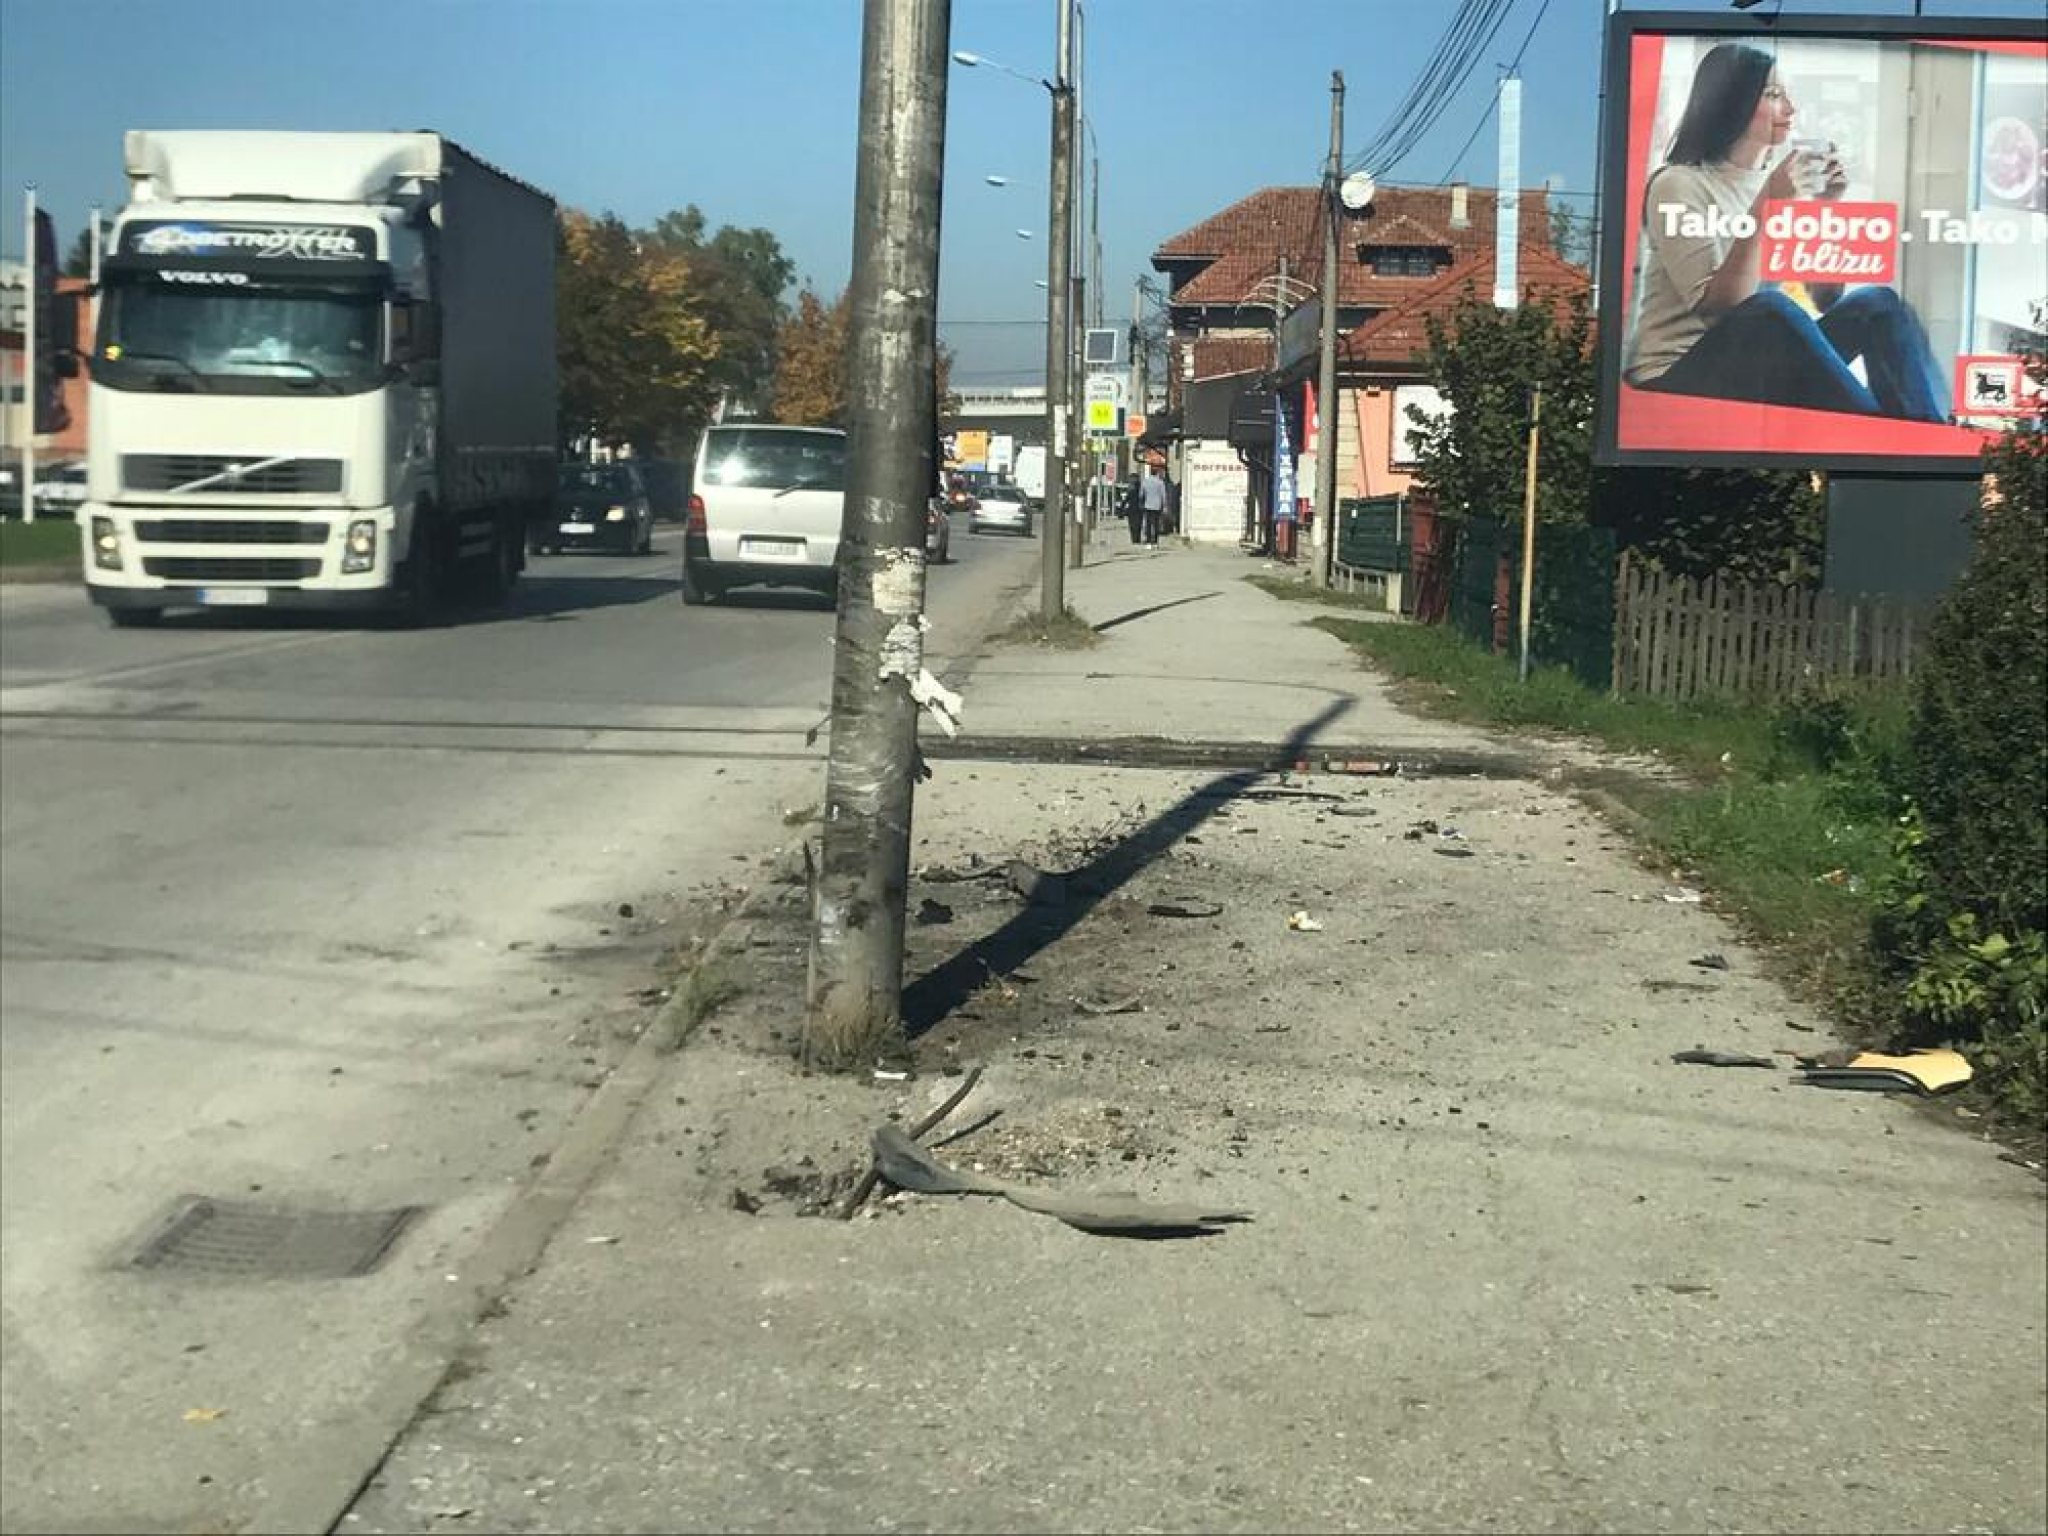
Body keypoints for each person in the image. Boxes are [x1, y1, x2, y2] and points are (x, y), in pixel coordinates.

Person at [1623, 42, 1946, 422]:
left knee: (1878, 304)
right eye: (1773, 95)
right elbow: (1723, 310)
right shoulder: (1679, 184)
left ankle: (1923, 437)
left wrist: (1828, 207)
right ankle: (1880, 434)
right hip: (1676, 376)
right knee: (1770, 310)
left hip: (1756, 360)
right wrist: (1769, 206)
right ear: (1733, 102)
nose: (1790, 109)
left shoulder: (1779, 182)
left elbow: (1825, 297)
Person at [1136, 461, 1166, 549]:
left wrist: (1141, 502)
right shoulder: (1160, 482)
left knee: (1148, 524)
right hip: (1157, 506)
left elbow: (1141, 494)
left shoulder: (1145, 482)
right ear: (1157, 473)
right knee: (1156, 524)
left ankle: (1148, 542)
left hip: (1148, 505)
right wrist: (1164, 506)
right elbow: (1163, 495)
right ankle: (1155, 543)